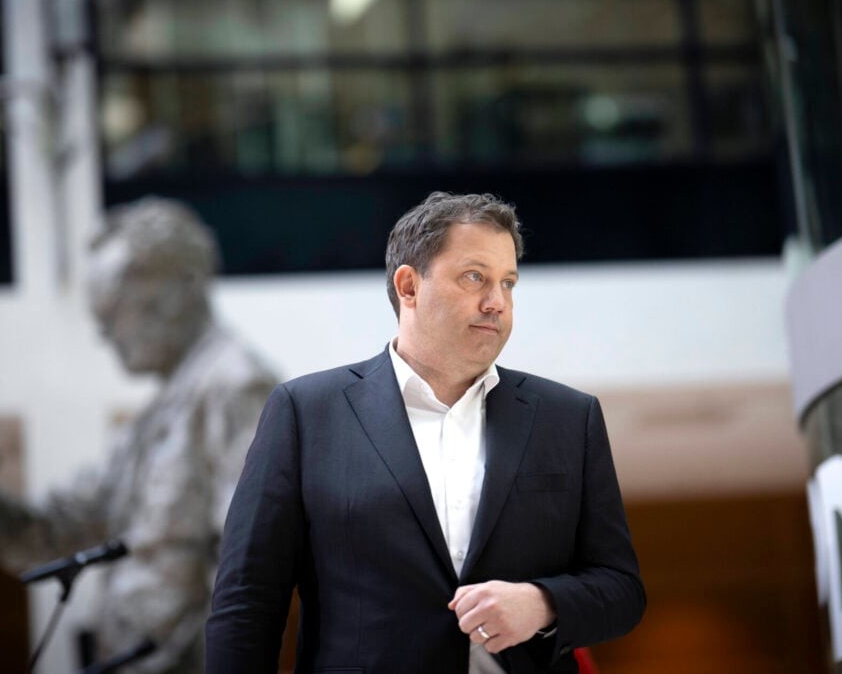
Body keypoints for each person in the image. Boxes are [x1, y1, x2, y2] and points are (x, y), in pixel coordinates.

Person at [206, 191, 645, 674]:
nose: (497, 302)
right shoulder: (306, 413)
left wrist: (543, 603)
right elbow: (246, 602)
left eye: (508, 283)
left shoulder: (569, 418)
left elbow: (622, 589)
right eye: (475, 277)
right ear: (409, 286)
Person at [0, 197, 278, 673]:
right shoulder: (159, 413)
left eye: (111, 310)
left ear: (175, 290)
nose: (103, 333)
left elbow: (250, 567)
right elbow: (63, 532)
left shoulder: (236, 387)